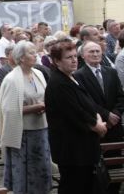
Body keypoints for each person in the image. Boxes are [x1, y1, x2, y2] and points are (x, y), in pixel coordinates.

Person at [45, 38, 108, 194]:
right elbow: (75, 113)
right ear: (56, 61)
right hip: (72, 149)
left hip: (83, 146)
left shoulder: (71, 77)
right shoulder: (58, 83)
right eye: (68, 57)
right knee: (74, 186)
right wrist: (97, 125)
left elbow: (88, 103)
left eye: (75, 56)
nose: (74, 60)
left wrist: (97, 117)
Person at [0, 40, 51, 194]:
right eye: (31, 53)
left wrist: (44, 105)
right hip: (23, 134)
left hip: (41, 129)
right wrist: (35, 107)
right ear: (21, 58)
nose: (35, 55)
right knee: (26, 176)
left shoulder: (38, 73)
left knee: (42, 171)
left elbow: (45, 96)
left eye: (35, 52)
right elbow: (8, 109)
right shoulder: (12, 79)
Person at [73, 40, 124, 193]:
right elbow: (85, 101)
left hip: (114, 127)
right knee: (97, 170)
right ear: (83, 55)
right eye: (91, 52)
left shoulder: (111, 72)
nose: (95, 54)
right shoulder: (78, 75)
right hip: (95, 127)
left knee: (116, 165)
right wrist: (106, 115)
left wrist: (115, 114)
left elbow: (121, 97)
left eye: (97, 51)